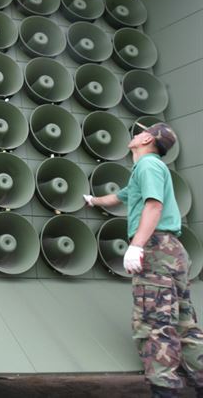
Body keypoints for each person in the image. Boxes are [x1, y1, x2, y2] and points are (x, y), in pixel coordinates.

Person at [84, 122, 203, 398]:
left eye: (140, 132)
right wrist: (93, 200)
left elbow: (153, 205)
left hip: (155, 248)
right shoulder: (147, 169)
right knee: (184, 321)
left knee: (153, 321)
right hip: (173, 250)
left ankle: (164, 390)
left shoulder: (149, 165)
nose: (135, 135)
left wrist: (137, 246)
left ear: (148, 138)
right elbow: (119, 197)